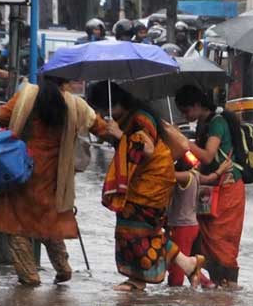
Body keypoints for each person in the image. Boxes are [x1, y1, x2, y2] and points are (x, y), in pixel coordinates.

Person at [0, 76, 109, 286]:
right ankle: (62, 267)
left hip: (21, 170)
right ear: (66, 83)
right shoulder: (75, 105)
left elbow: (4, 115)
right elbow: (100, 129)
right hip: (55, 176)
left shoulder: (27, 95)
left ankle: (29, 276)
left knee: (15, 225)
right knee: (50, 221)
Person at [87, 83, 205, 292]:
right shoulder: (127, 118)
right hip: (141, 181)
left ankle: (138, 279)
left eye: (105, 109)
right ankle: (187, 265)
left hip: (152, 182)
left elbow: (147, 149)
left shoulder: (141, 118)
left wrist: (119, 135)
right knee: (147, 230)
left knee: (138, 229)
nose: (104, 114)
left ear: (116, 103)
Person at [174, 84, 246, 288]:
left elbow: (207, 155)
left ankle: (229, 284)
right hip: (212, 188)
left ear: (197, 105)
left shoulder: (217, 123)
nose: (185, 115)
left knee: (222, 237)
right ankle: (216, 284)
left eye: (186, 110)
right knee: (206, 235)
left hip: (228, 188)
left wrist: (185, 142)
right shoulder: (204, 122)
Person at [167, 157, 229, 287]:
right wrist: (220, 170)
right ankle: (207, 284)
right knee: (185, 260)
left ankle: (175, 291)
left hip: (182, 227)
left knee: (177, 267)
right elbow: (210, 178)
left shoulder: (184, 177)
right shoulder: (195, 175)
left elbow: (165, 174)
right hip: (192, 225)